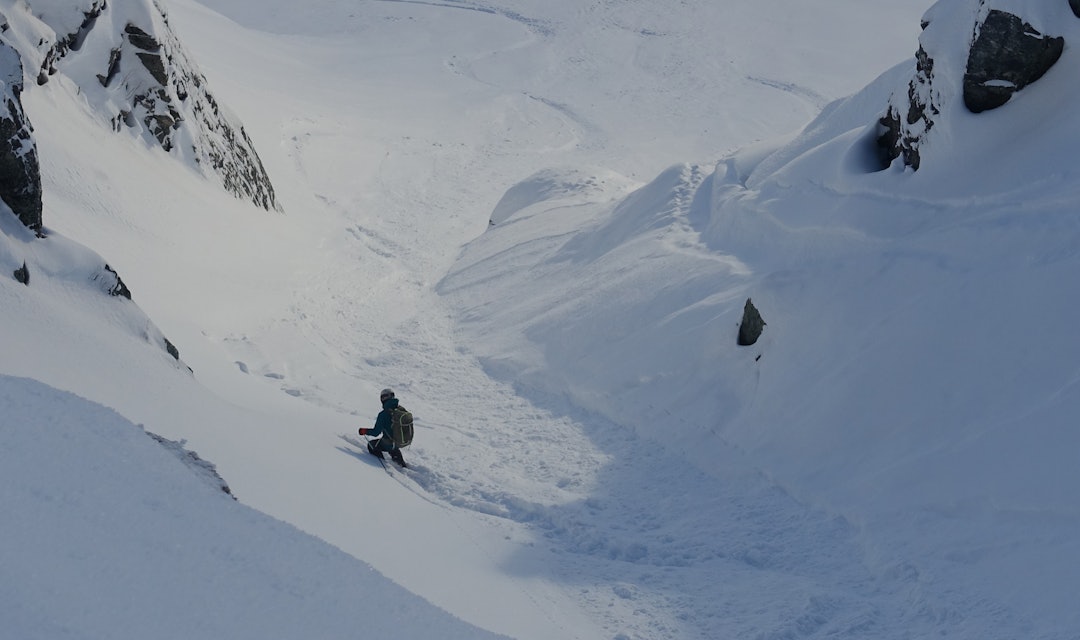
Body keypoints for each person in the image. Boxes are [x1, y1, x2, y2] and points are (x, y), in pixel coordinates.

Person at [359, 388, 407, 467]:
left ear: (383, 398)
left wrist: (364, 431)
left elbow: (376, 432)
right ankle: (401, 463)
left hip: (388, 442)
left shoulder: (383, 414)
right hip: (399, 441)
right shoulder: (400, 409)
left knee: (371, 445)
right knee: (393, 448)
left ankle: (381, 464)